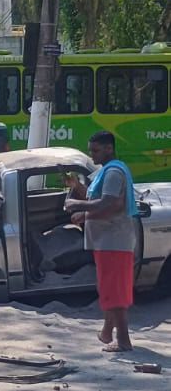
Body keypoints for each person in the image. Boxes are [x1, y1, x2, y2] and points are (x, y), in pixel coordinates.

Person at [64, 131, 138, 352]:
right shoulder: (106, 171)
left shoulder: (114, 172)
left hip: (113, 241)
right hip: (108, 241)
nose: (92, 154)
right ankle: (107, 333)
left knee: (113, 291)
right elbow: (98, 200)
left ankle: (123, 341)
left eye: (95, 150)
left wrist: (78, 206)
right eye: (91, 150)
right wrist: (77, 187)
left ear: (109, 148)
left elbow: (110, 204)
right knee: (108, 287)